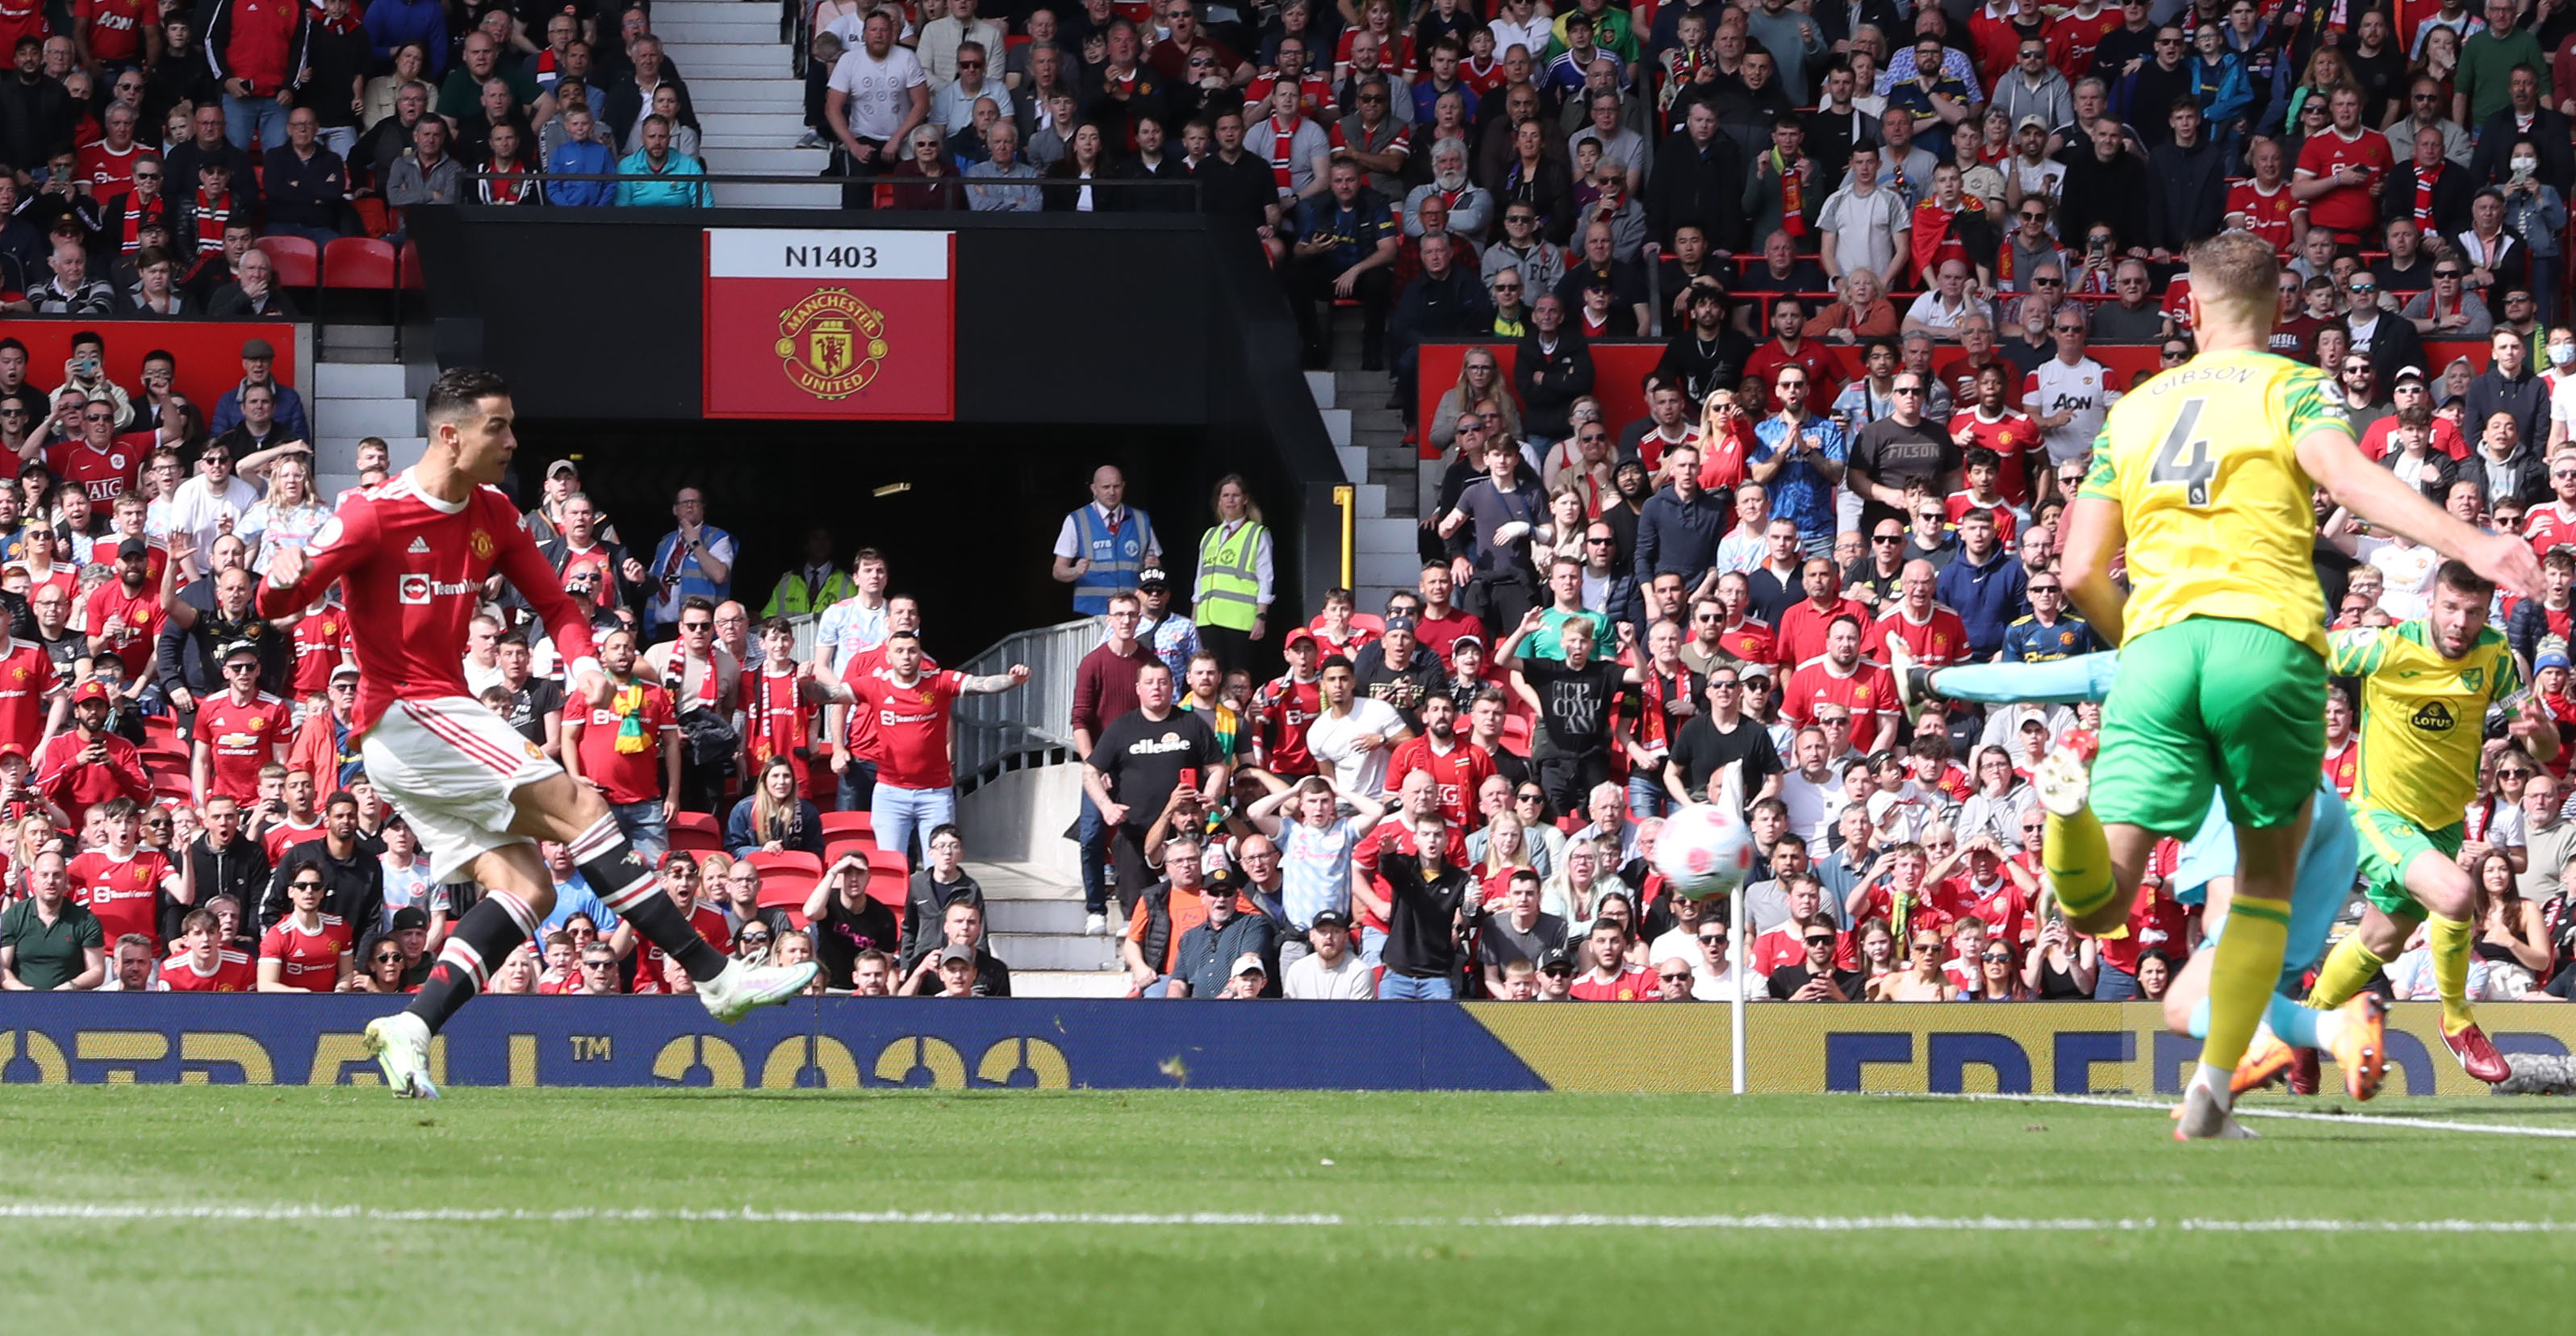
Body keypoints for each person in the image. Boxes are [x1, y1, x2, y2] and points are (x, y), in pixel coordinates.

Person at [2044, 232, 2536, 1138]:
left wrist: (2143, 639)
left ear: (2189, 308)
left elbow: (2079, 572)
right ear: (2280, 311)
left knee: (2101, 897)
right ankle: (2210, 1093)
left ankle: (2063, 815)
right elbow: (2350, 478)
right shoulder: (2292, 386)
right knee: (2262, 891)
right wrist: (2473, 545)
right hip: (2265, 648)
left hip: (2158, 647)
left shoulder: (2135, 408)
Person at [253, 369, 813, 1098]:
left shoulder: (494, 513)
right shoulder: (371, 513)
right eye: (500, 427)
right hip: (402, 714)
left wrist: (582, 662)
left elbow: (556, 604)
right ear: (450, 435)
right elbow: (275, 602)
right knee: (582, 807)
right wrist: (282, 570)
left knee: (529, 885)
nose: (513, 441)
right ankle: (716, 977)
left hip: (433, 721)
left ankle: (412, 1026)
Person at [2296, 562, 2550, 1085]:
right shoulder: (2382, 646)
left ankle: (2302, 1026)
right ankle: (2457, 1021)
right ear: (2431, 601)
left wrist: (2540, 731)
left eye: (2474, 612)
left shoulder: (2496, 657)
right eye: (2451, 608)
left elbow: (2543, 746)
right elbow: (2303, 654)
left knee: (2380, 943)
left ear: (2486, 613)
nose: (2461, 622)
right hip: (2376, 815)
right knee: (2457, 895)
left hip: (2442, 827)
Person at [0, 850, 102, 991]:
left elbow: (97, 971)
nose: (50, 881)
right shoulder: (14, 916)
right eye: (44, 875)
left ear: (66, 881)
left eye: (57, 875)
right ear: (34, 881)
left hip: (70, 1003)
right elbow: (2, 968)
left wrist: (70, 986)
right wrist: (23, 991)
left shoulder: (86, 921)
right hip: (21, 1004)